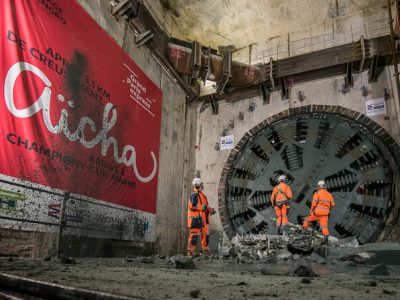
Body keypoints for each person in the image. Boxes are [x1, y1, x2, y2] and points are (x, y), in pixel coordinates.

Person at [187, 177, 215, 256]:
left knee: (206, 236)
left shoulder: (202, 196)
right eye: (201, 184)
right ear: (198, 185)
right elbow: (193, 206)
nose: (202, 186)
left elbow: (204, 206)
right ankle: (190, 253)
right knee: (194, 237)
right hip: (195, 220)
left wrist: (210, 210)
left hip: (203, 220)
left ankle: (206, 252)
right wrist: (203, 207)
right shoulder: (193, 195)